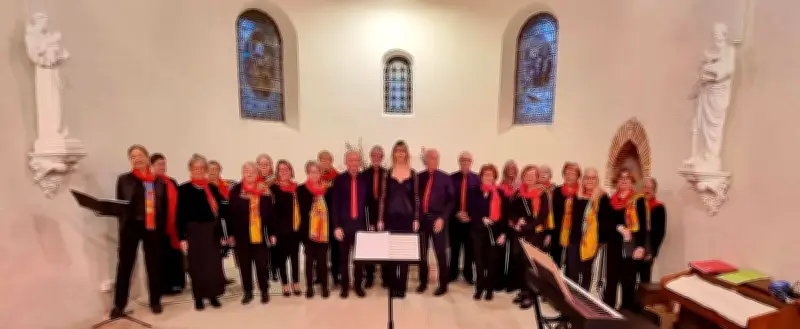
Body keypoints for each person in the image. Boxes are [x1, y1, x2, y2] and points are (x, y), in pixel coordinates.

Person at [109, 145, 174, 317]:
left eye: (139, 155)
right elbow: (120, 207)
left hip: (152, 228)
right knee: (125, 266)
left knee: (154, 265)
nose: (136, 158)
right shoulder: (124, 179)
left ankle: (155, 301)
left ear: (147, 157)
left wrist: (163, 230)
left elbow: (164, 207)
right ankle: (119, 305)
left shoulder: (158, 181)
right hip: (130, 227)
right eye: (132, 156)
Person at [177, 154, 229, 311]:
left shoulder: (212, 188)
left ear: (205, 170)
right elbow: (179, 214)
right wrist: (182, 237)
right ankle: (198, 297)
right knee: (196, 265)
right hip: (194, 231)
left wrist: (225, 234)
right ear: (190, 170)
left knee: (213, 265)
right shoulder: (184, 189)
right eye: (195, 168)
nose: (199, 170)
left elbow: (222, 212)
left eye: (201, 168)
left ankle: (213, 295)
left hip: (211, 230)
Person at [227, 162, 275, 305]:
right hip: (241, 236)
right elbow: (230, 214)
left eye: (252, 171)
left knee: (262, 265)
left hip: (260, 234)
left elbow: (271, 214)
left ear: (257, 174)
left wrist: (272, 233)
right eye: (246, 171)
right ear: (242, 173)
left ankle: (264, 290)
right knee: (245, 266)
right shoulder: (235, 190)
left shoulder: (264, 190)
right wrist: (230, 234)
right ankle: (247, 292)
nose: (249, 174)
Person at [602, 168, 648, 311]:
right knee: (611, 282)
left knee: (628, 282)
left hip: (631, 247)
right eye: (621, 178)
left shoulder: (638, 200)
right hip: (614, 245)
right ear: (616, 182)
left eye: (627, 178)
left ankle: (627, 315)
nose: (624, 180)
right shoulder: (610, 201)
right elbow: (605, 223)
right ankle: (608, 312)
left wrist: (640, 247)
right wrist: (618, 228)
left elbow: (643, 226)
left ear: (631, 181)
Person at [377, 140, 419, 298]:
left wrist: (416, 218)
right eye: (397, 151)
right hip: (390, 218)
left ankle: (402, 287)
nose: (400, 154)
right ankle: (393, 285)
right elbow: (383, 197)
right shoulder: (387, 173)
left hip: (407, 219)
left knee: (405, 255)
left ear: (406, 153)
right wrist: (380, 218)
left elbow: (416, 198)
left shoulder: (413, 173)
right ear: (394, 153)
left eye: (403, 151)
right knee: (393, 254)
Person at [509, 165, 551, 309]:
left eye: (533, 175)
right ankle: (523, 290)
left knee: (530, 264)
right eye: (527, 175)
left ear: (537, 177)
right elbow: (511, 211)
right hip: (519, 232)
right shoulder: (517, 193)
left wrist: (527, 226)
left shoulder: (543, 193)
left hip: (534, 233)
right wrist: (516, 221)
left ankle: (531, 295)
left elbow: (542, 216)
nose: (529, 177)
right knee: (519, 262)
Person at [467, 164, 508, 301]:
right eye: (485, 175)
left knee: (491, 262)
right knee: (478, 261)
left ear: (495, 177)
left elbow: (504, 215)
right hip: (478, 231)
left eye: (491, 175)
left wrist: (503, 233)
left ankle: (489, 289)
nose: (488, 177)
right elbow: (470, 210)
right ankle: (479, 288)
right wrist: (481, 218)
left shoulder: (500, 193)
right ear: (481, 176)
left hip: (494, 233)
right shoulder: (474, 191)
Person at [561, 168, 607, 290]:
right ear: (582, 180)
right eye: (587, 177)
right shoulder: (576, 196)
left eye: (593, 178)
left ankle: (583, 300)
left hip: (591, 241)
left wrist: (600, 241)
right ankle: (571, 299)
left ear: (597, 180)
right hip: (574, 238)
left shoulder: (602, 197)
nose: (589, 180)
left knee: (586, 272)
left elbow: (605, 221)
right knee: (572, 271)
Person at [416, 148, 454, 296]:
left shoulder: (445, 178)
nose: (434, 160)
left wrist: (442, 218)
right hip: (422, 220)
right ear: (425, 161)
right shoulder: (419, 177)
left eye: (436, 158)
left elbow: (451, 201)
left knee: (440, 253)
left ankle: (443, 284)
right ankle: (423, 282)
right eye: (431, 158)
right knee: (422, 253)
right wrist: (417, 218)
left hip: (438, 219)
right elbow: (416, 200)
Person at [331, 150, 369, 298]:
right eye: (351, 160)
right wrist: (336, 226)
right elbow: (335, 205)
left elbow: (369, 204)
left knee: (359, 259)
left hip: (360, 225)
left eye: (356, 160)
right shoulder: (339, 180)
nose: (354, 163)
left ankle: (358, 285)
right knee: (343, 258)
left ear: (359, 162)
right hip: (344, 226)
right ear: (347, 162)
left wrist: (370, 224)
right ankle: (345, 286)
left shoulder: (365, 180)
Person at [149, 153, 184, 296]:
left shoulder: (171, 182)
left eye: (164, 164)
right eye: (159, 164)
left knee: (174, 255)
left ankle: (177, 284)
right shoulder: (149, 183)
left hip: (172, 226)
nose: (163, 167)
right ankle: (163, 286)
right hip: (157, 226)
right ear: (151, 166)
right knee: (160, 257)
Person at [298, 161, 332, 298]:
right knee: (309, 260)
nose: (314, 174)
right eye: (312, 172)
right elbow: (300, 211)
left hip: (323, 232)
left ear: (320, 174)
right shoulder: (301, 189)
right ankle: (310, 287)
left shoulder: (327, 189)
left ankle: (324, 287)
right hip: (308, 231)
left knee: (323, 261)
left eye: (317, 172)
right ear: (308, 173)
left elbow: (331, 210)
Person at [270, 160, 303, 296]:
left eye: (286, 169)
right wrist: (273, 232)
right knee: (282, 258)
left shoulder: (297, 188)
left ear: (291, 171)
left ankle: (295, 282)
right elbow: (271, 213)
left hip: (295, 229)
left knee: (295, 257)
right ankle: (285, 284)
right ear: (277, 172)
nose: (284, 172)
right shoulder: (273, 188)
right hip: (280, 230)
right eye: (281, 169)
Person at [449, 151, 478, 285]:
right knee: (454, 248)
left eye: (468, 160)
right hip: (455, 220)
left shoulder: (477, 179)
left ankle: (468, 274)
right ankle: (452, 273)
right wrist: (456, 212)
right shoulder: (451, 178)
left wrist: (470, 214)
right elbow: (448, 199)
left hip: (470, 221)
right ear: (459, 162)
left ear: (471, 162)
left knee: (469, 249)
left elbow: (478, 201)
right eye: (463, 160)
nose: (465, 162)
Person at [361, 145, 386, 288]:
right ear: (371, 157)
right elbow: (363, 199)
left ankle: (385, 277)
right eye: (374, 156)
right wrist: (369, 221)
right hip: (368, 215)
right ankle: (369, 277)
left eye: (379, 156)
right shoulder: (364, 174)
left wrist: (381, 219)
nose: (377, 158)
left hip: (383, 216)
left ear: (382, 158)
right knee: (369, 248)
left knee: (383, 246)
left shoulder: (387, 173)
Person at [550, 162, 581, 269]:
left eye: (572, 174)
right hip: (558, 231)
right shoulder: (557, 191)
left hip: (574, 233)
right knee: (555, 262)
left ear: (578, 176)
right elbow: (552, 212)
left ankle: (567, 285)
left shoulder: (581, 192)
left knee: (571, 264)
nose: (569, 176)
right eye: (566, 173)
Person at [318, 150, 340, 285]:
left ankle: (336, 274)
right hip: (319, 220)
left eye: (327, 160)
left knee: (335, 249)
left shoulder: (337, 177)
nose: (324, 162)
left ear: (331, 162)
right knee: (320, 249)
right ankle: (320, 276)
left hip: (333, 219)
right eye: (322, 160)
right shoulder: (316, 179)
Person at [496, 160, 519, 292]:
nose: (511, 170)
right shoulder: (499, 186)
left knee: (513, 255)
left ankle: (511, 282)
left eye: (513, 168)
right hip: (503, 224)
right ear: (505, 170)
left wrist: (514, 221)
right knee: (501, 253)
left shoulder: (520, 187)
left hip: (515, 226)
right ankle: (500, 281)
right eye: (509, 168)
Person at [256, 153, 278, 281]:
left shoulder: (276, 181)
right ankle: (265, 269)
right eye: (261, 164)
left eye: (266, 164)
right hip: (258, 220)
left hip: (274, 218)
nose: (264, 167)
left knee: (274, 246)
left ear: (271, 166)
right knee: (262, 247)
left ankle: (275, 270)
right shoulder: (253, 182)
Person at [640, 177, 666, 283]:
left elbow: (660, 232)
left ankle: (643, 300)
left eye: (650, 188)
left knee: (644, 280)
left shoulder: (659, 208)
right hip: (634, 249)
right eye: (645, 187)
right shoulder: (635, 206)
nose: (647, 190)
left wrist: (652, 251)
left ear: (654, 191)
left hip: (648, 250)